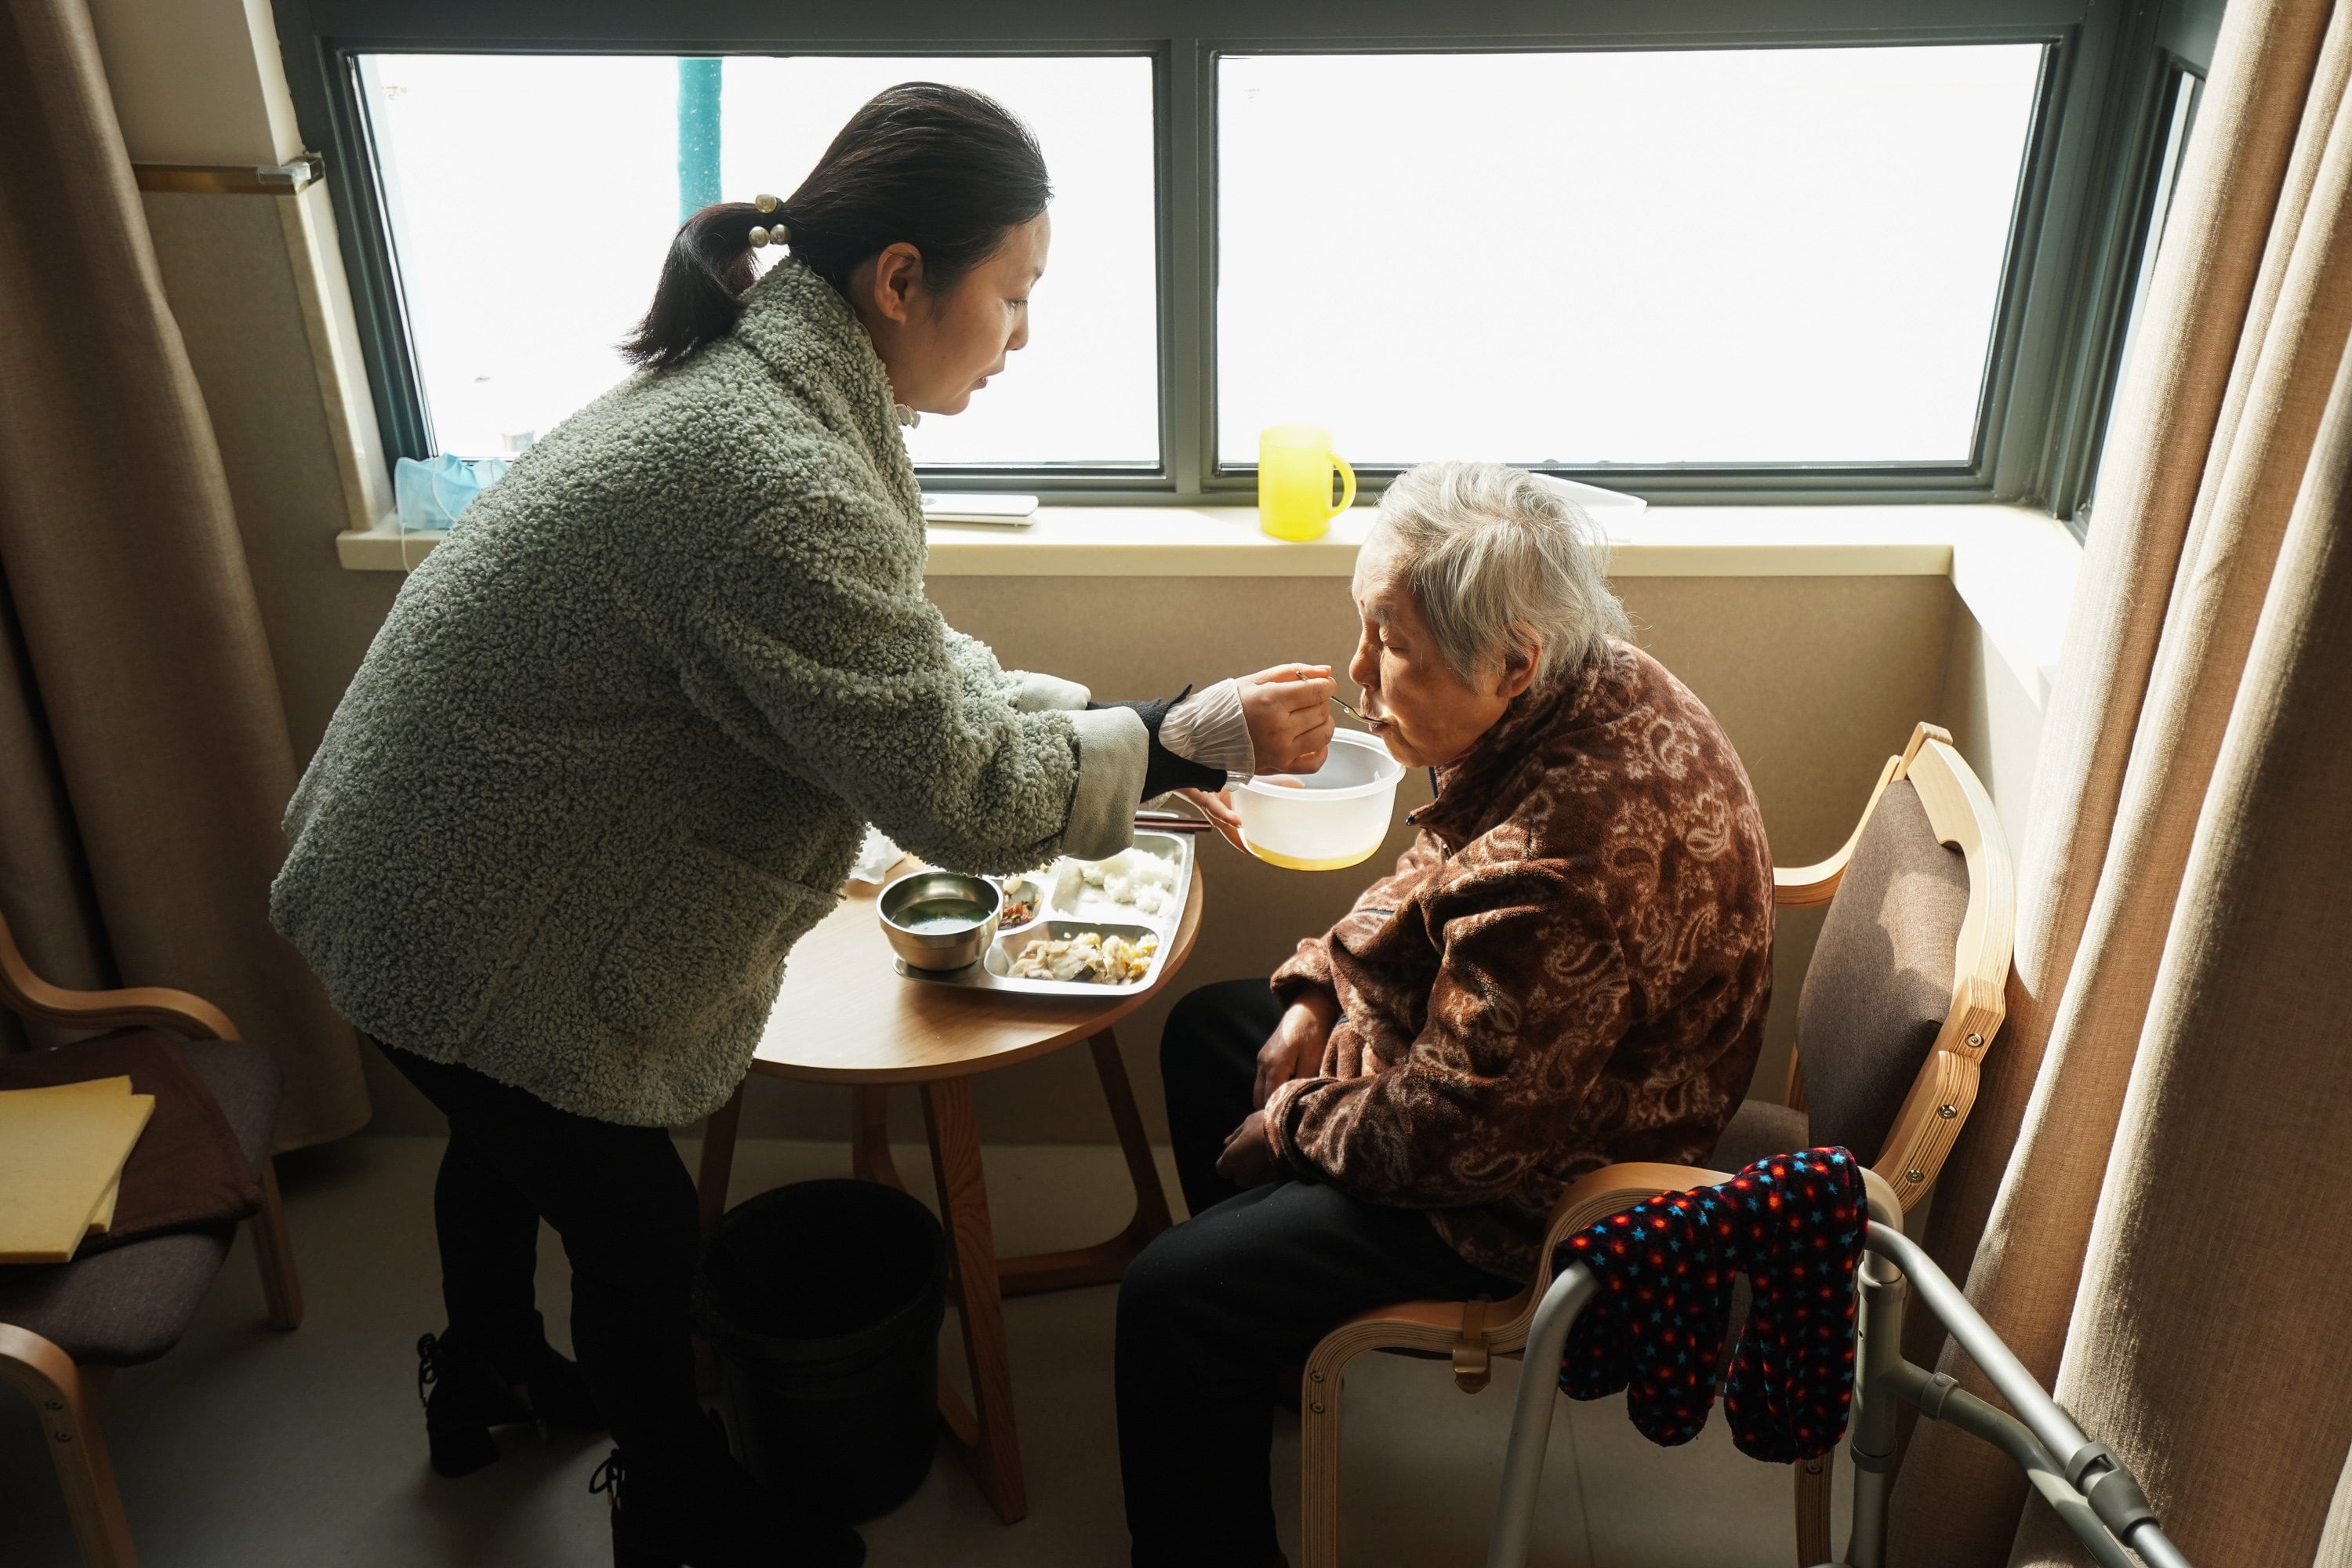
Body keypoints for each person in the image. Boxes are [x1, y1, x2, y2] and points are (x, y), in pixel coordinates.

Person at [270, 85, 1334, 1568]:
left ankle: (487, 1373)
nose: (1021, 335)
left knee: (499, 1137)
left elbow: (903, 659)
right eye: (1012, 294)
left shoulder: (767, 389)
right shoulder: (768, 476)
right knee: (637, 1226)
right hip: (454, 900)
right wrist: (1160, 738)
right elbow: (959, 789)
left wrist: (1145, 724)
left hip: (404, 872)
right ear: (903, 281)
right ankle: (679, 1505)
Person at [1118, 461, 1776, 1566]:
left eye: (1393, 647)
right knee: (1213, 1036)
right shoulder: (1584, 674)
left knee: (1167, 1299)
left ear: (1509, 663)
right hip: (1510, 1065)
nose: (1359, 672)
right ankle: (1276, 1351)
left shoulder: (1570, 874)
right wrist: (1319, 985)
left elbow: (1457, 1142)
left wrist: (1292, 1124)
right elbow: (1445, 857)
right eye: (1362, 627)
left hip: (1541, 1180)